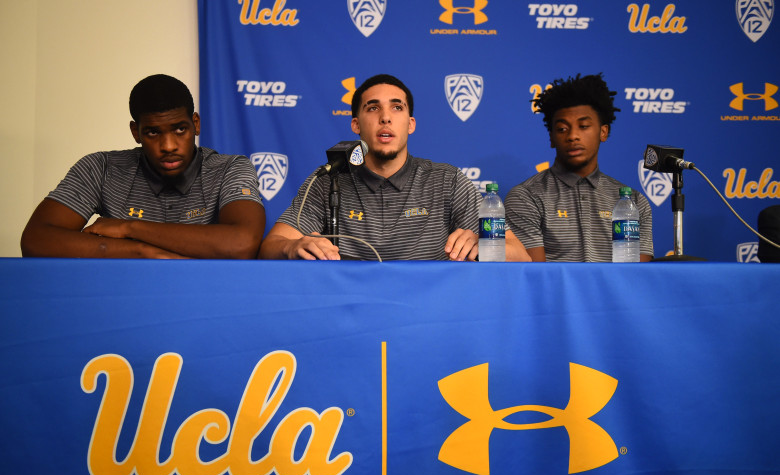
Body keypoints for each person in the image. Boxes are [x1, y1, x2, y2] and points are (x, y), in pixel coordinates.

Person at [20, 74, 265, 259]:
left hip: (204, 302)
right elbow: (35, 240)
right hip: (123, 302)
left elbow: (242, 243)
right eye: (152, 132)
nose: (168, 145)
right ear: (135, 132)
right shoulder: (102, 168)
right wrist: (140, 251)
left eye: (180, 129)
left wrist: (128, 227)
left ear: (196, 124)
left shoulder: (230, 168)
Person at [259, 74, 481, 261]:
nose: (385, 118)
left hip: (426, 308)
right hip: (349, 307)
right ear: (356, 124)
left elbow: (515, 250)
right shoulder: (328, 179)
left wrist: (483, 244)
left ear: (410, 124)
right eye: (373, 108)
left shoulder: (447, 180)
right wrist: (292, 247)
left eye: (396, 107)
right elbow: (270, 246)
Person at [504, 73, 653, 262]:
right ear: (551, 137)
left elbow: (639, 278)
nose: (573, 136)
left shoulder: (634, 202)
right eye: (562, 129)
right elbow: (535, 276)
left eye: (583, 126)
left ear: (603, 132)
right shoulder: (525, 197)